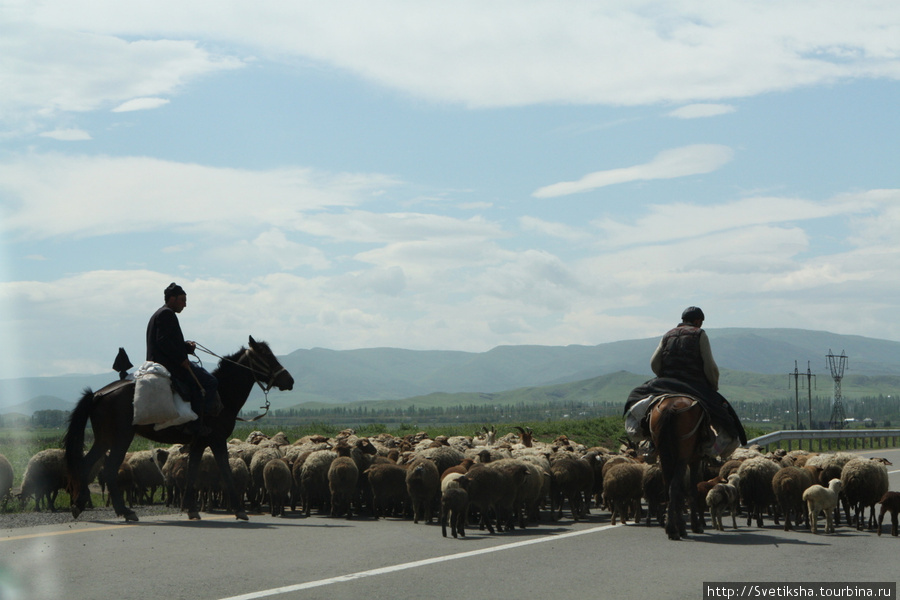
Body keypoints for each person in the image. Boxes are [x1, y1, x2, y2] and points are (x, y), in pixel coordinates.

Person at [626, 306, 747, 454]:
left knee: (635, 397)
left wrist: (663, 377)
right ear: (698, 321)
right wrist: (712, 387)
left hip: (665, 383)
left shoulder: (667, 335)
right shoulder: (699, 334)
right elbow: (710, 366)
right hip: (693, 385)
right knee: (725, 417)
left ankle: (648, 439)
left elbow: (654, 363)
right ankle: (713, 449)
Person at [146, 282, 217, 435]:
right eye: (183, 300)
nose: (185, 304)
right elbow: (163, 342)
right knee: (210, 382)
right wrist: (180, 359)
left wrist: (186, 347)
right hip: (169, 365)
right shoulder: (167, 314)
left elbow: (168, 342)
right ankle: (197, 424)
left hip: (166, 361)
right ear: (172, 299)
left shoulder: (160, 313)